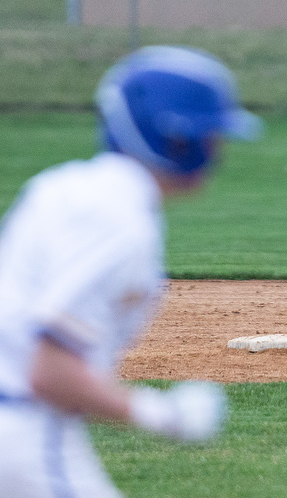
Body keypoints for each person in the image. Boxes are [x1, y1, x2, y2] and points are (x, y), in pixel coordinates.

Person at [0, 45, 261, 497]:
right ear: (175, 137)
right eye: (210, 134)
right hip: (24, 435)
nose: (217, 149)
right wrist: (163, 415)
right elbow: (50, 371)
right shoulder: (121, 220)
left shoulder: (63, 185)